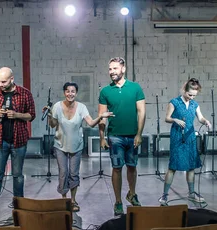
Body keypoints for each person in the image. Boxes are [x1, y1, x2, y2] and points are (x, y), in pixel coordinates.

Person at [44, 82, 113, 212]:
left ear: (76, 93)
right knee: (63, 173)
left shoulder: (81, 107)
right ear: (64, 92)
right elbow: (53, 125)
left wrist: (101, 117)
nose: (70, 94)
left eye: (73, 91)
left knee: (74, 174)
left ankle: (73, 200)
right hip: (60, 145)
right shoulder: (57, 106)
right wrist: (49, 115)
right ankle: (64, 199)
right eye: (68, 91)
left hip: (76, 145)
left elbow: (91, 123)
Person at [99, 57, 146, 216]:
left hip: (132, 135)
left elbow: (141, 112)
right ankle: (118, 201)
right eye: (110, 69)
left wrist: (139, 134)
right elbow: (102, 116)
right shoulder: (105, 91)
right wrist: (102, 137)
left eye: (115, 68)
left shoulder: (135, 88)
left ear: (123, 69)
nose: (112, 72)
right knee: (117, 168)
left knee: (132, 166)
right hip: (115, 136)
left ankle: (132, 194)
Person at [0, 67, 35, 210]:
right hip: (0, 142)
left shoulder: (25, 94)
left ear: (12, 79)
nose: (0, 84)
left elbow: (31, 115)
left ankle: (19, 206)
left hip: (19, 141)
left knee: (18, 176)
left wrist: (17, 115)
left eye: (3, 81)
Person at [158, 78, 212, 206]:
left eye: (194, 95)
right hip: (177, 136)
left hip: (190, 137)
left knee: (191, 166)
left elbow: (200, 118)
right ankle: (164, 196)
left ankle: (192, 194)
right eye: (189, 94)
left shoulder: (194, 104)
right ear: (184, 90)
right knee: (173, 167)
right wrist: (175, 120)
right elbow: (167, 118)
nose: (191, 97)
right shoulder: (174, 102)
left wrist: (206, 121)